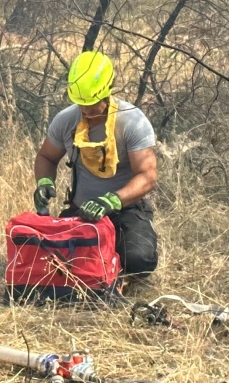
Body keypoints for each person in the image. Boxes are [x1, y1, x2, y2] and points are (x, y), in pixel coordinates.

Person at [32, 50, 160, 276]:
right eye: (80, 103)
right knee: (52, 260)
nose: (85, 110)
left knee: (137, 261)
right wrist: (44, 180)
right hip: (81, 212)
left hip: (125, 211)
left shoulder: (132, 121)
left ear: (107, 91)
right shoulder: (66, 120)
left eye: (91, 104)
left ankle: (122, 257)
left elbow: (148, 176)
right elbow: (46, 157)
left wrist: (113, 200)